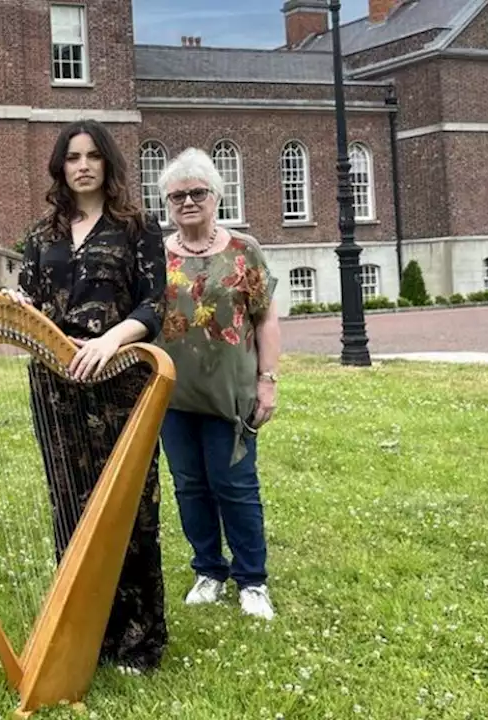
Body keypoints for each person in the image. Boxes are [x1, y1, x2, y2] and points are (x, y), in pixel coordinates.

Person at [3, 119, 168, 674]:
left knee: (130, 511)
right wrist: (14, 305)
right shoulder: (42, 233)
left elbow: (153, 307)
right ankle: (87, 631)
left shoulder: (136, 228)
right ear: (60, 166)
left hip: (119, 384)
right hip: (54, 387)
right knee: (68, 506)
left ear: (108, 164)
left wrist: (110, 340)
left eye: (93, 156)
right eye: (72, 157)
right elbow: (29, 299)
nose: (82, 165)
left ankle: (140, 639)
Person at [154, 147, 280, 621]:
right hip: (172, 396)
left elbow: (265, 319)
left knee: (236, 485)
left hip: (232, 395)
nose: (188, 202)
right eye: (177, 196)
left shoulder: (243, 250)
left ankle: (252, 581)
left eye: (197, 193)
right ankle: (208, 570)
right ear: (166, 203)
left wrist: (268, 381)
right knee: (189, 485)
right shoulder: (155, 254)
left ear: (216, 196)